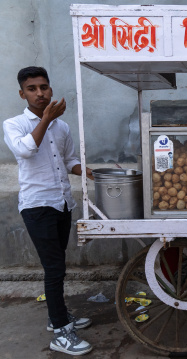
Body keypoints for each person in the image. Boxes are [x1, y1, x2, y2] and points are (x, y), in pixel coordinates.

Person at [3, 67, 95, 355]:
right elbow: (26, 151)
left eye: (44, 87)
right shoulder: (13, 124)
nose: (40, 93)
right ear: (22, 93)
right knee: (53, 269)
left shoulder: (62, 126)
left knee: (59, 265)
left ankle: (59, 316)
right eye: (32, 88)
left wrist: (88, 171)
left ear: (51, 90)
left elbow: (68, 160)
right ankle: (60, 332)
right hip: (37, 206)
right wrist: (45, 119)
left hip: (62, 202)